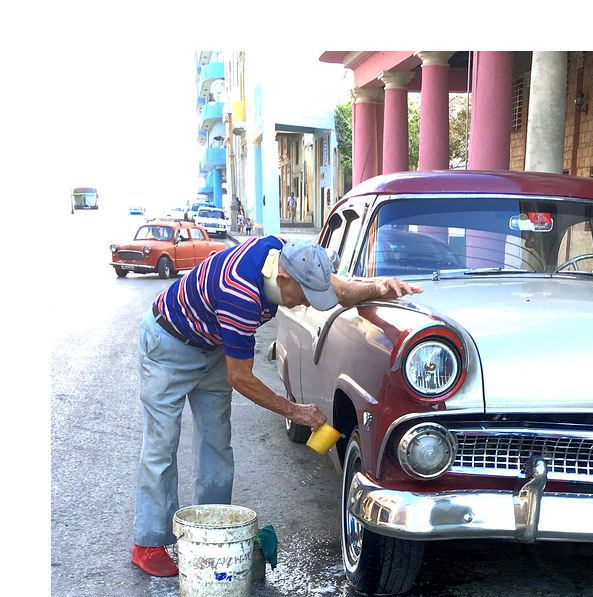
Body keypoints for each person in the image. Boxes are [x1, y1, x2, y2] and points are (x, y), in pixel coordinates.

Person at [131, 236, 423, 576]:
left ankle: (212, 531)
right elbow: (240, 377)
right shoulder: (239, 292)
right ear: (283, 279)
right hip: (169, 344)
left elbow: (339, 291)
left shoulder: (294, 256)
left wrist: (379, 287)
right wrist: (296, 411)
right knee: (161, 445)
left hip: (212, 346)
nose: (306, 305)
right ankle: (148, 542)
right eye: (303, 296)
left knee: (216, 443)